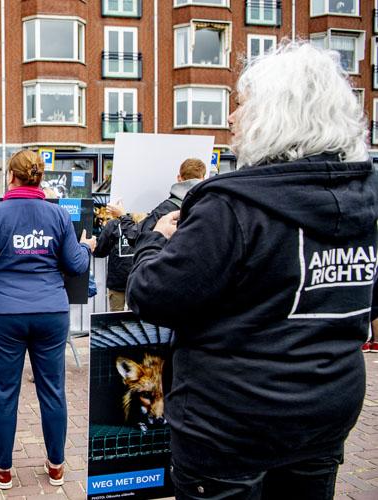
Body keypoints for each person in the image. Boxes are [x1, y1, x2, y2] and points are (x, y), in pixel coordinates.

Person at [126, 42, 378, 500]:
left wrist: (154, 241)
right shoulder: (364, 202)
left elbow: (154, 294)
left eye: (242, 105)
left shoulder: (232, 206)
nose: (232, 119)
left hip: (231, 426)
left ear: (276, 115)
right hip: (324, 410)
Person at [0, 150, 96, 490]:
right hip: (50, 312)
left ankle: (4, 469)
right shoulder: (57, 215)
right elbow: (75, 263)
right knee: (53, 390)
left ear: (12, 176)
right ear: (39, 178)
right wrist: (87, 247)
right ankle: (56, 467)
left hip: (4, 314)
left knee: (5, 392)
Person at [93, 201, 145, 311]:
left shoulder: (114, 224)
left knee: (116, 319)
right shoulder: (149, 223)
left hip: (118, 280)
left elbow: (100, 251)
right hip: (141, 279)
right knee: (139, 319)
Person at [138, 158, 206, 235]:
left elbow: (137, 236)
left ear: (179, 178)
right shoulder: (212, 206)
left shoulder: (166, 208)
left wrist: (122, 216)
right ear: (203, 179)